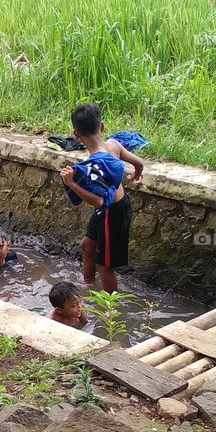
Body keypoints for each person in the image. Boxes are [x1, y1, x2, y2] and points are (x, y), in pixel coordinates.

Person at [59, 102, 144, 293]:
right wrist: (136, 174)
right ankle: (88, 288)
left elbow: (98, 201)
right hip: (112, 207)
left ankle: (109, 311)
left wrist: (71, 183)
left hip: (111, 213)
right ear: (102, 126)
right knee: (87, 246)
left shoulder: (91, 167)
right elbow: (139, 163)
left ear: (75, 133)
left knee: (104, 265)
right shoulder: (113, 146)